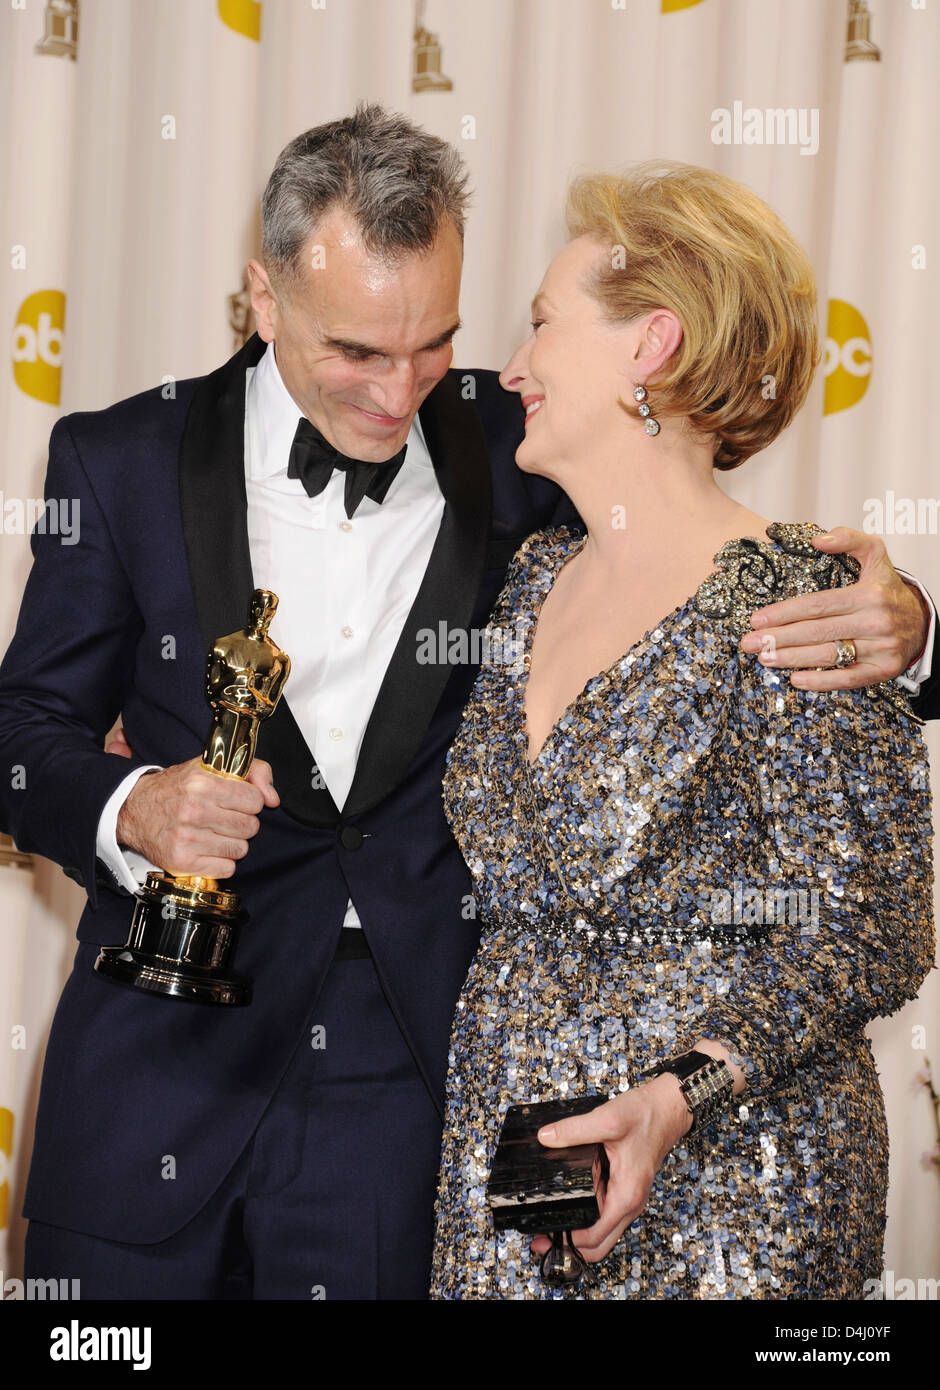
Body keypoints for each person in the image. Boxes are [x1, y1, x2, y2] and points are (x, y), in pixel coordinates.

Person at [0, 110, 933, 1301]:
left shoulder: (525, 447)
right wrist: (131, 807)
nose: (398, 395)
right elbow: (20, 734)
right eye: (356, 351)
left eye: (432, 343)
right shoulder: (116, 457)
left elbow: (718, 569)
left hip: (413, 1084)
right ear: (264, 295)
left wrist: (910, 627)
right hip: (155, 1057)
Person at [429, 162, 936, 1300]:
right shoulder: (528, 580)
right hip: (512, 1172)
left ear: (650, 344)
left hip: (729, 1193)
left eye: (543, 323)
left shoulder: (796, 591)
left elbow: (875, 927)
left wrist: (675, 1097)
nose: (512, 366)